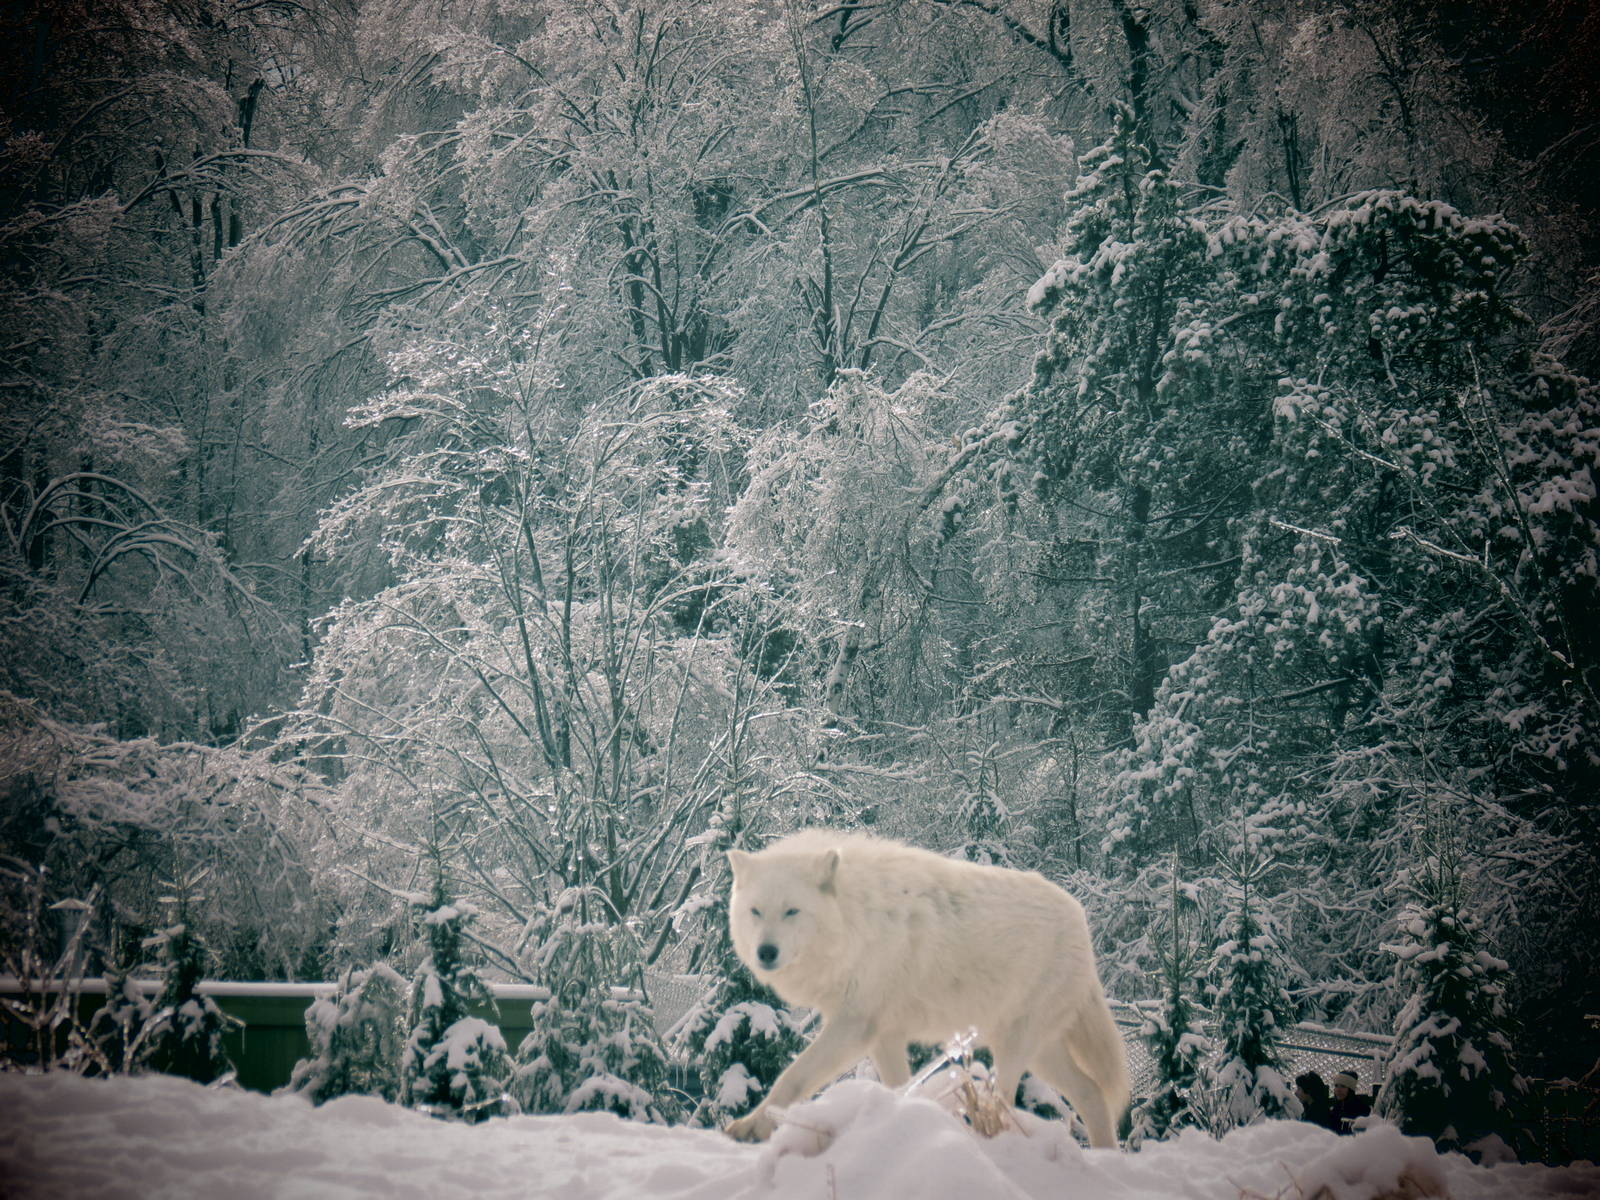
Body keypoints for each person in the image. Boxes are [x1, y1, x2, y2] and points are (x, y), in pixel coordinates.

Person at [1329, 1069, 1371, 1134]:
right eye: (1336, 1086)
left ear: (1350, 1090)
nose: (1338, 1090)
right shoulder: (1335, 1107)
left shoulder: (1360, 1109)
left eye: (1343, 1086)